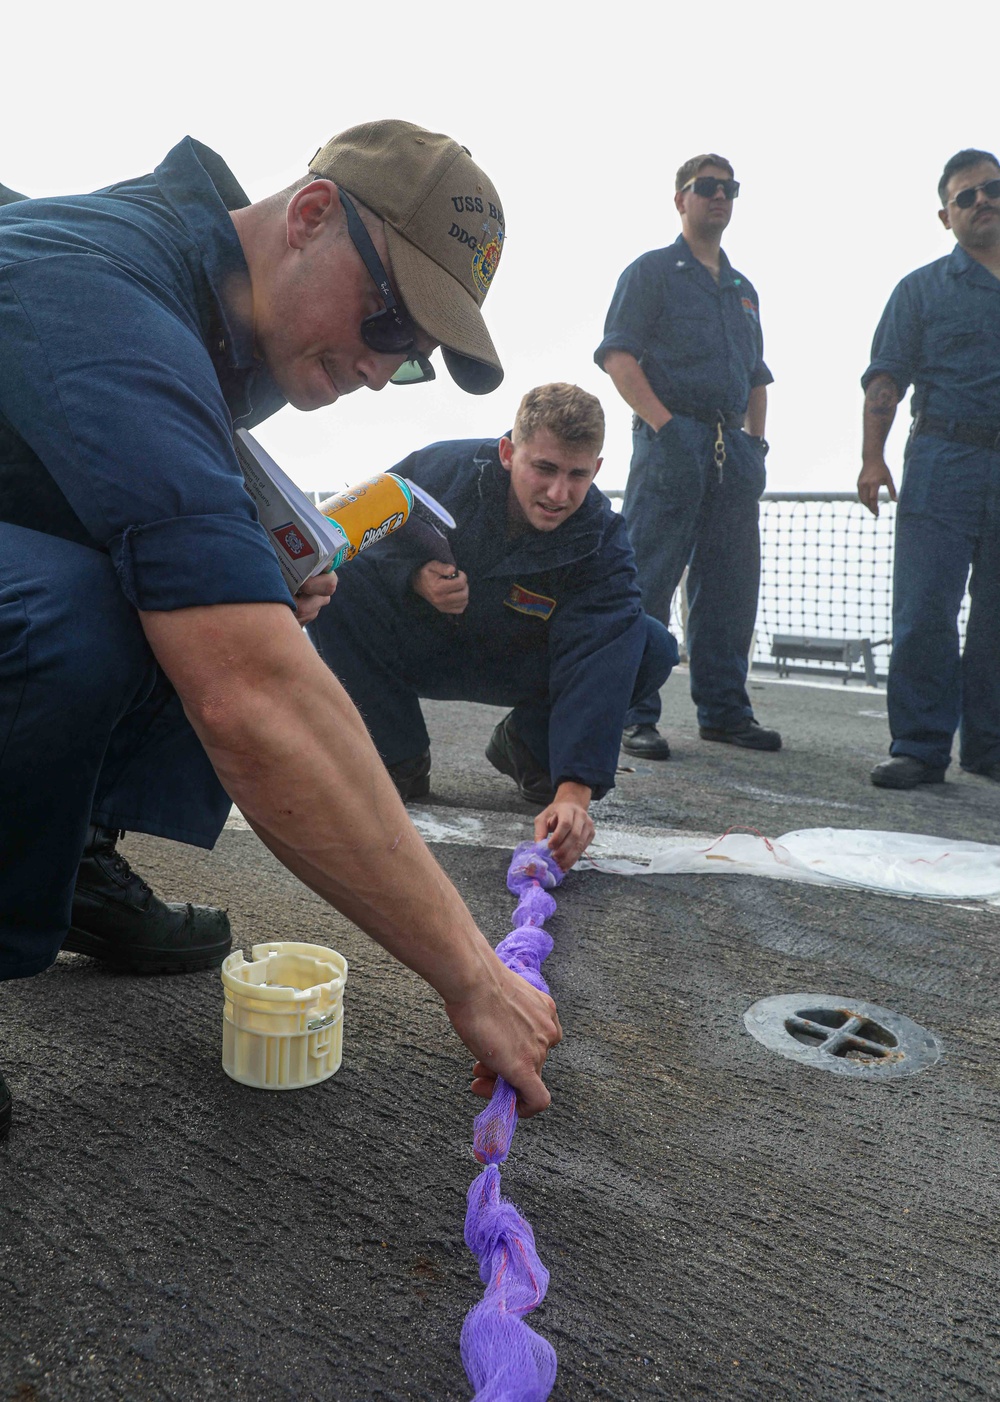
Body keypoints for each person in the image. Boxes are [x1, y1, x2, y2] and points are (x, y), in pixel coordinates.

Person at [0, 120, 561, 1143]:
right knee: (78, 621)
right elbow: (250, 696)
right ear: (309, 217)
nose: (379, 366)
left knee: (201, 578)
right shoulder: (119, 299)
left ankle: (63, 856)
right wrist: (468, 973)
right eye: (388, 322)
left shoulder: (212, 309)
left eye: (412, 360)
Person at [309, 383, 678, 871]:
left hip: (518, 664)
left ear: (598, 470)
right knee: (337, 575)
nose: (557, 493)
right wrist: (412, 576)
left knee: (648, 642)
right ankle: (397, 756)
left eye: (577, 475)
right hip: (425, 646)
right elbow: (351, 534)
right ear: (508, 451)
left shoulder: (603, 539)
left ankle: (529, 743)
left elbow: (602, 650)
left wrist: (575, 792)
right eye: (543, 468)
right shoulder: (439, 468)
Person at [594, 153, 780, 759]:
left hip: (733, 447)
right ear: (681, 199)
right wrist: (666, 427)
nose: (719, 197)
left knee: (730, 582)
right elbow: (618, 357)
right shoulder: (651, 273)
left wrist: (755, 442)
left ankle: (724, 710)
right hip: (672, 438)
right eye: (707, 188)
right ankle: (631, 711)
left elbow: (757, 375)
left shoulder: (742, 289)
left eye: (729, 188)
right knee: (648, 574)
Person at [860, 149, 1000, 790]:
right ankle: (919, 746)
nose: (981, 202)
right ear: (945, 216)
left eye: (990, 189)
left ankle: (990, 746)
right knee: (924, 609)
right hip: (943, 459)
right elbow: (885, 380)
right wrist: (871, 458)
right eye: (965, 197)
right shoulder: (919, 290)